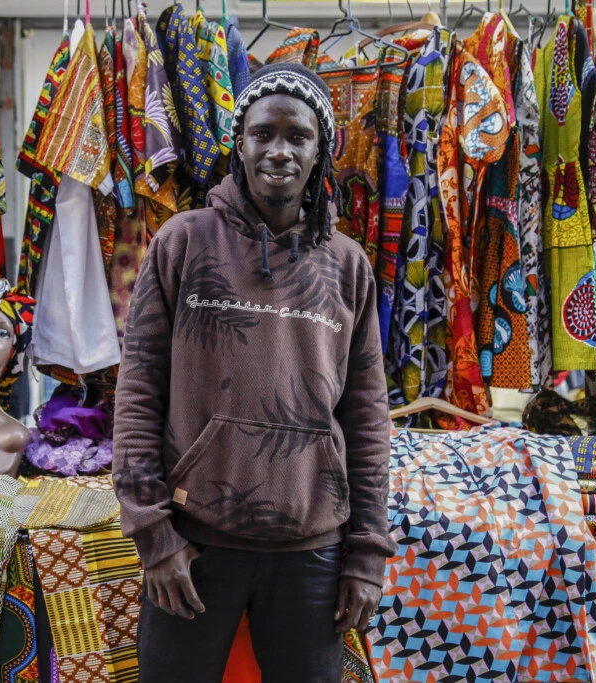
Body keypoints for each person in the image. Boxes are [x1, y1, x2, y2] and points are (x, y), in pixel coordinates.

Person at [112, 63, 395, 683]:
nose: (279, 151)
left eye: (298, 137)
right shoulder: (183, 241)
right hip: (193, 545)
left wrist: (367, 555)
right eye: (264, 133)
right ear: (239, 142)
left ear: (320, 152)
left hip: (312, 550)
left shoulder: (347, 266)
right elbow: (136, 394)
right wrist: (154, 535)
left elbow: (367, 417)